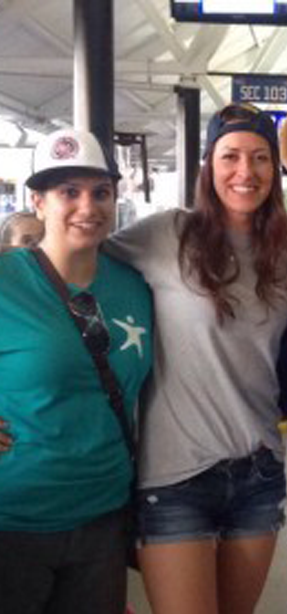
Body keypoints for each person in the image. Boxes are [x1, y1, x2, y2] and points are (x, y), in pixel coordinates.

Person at [105, 102, 287, 614]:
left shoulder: (282, 253)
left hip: (258, 471)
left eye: (260, 158)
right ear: (208, 167)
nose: (245, 172)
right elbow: (71, 262)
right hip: (176, 477)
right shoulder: (167, 234)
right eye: (231, 156)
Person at [0, 127, 153, 614]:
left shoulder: (135, 285)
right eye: (69, 192)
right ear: (38, 201)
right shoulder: (5, 280)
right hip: (13, 519)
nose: (87, 207)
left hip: (103, 517)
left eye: (100, 192)